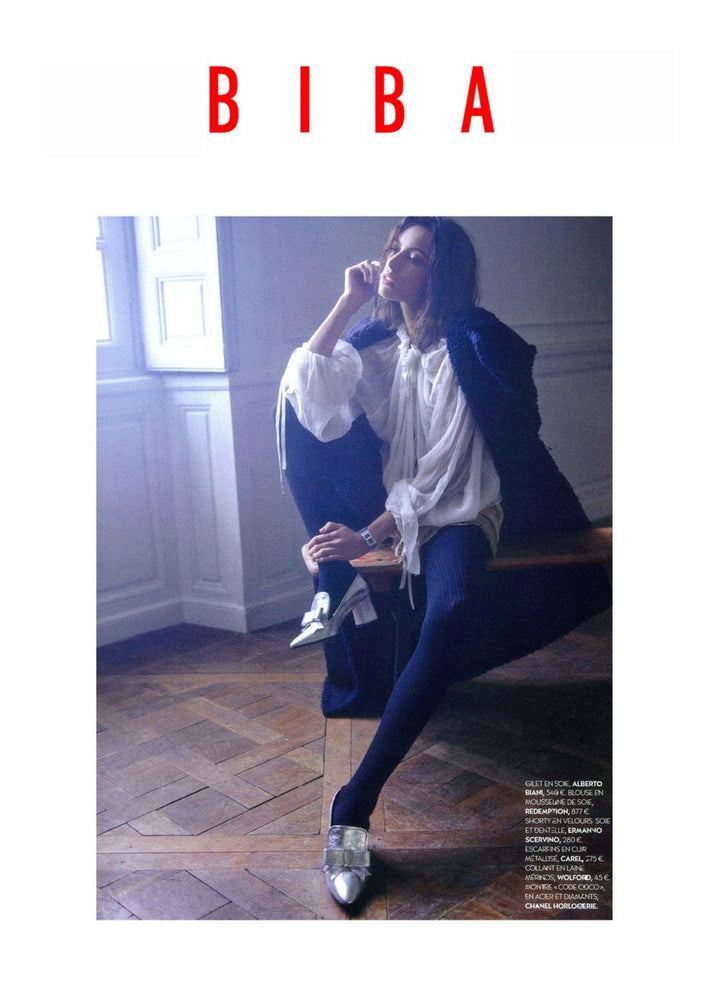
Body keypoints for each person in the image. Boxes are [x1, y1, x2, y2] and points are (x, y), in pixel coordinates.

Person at [276, 217, 610, 907]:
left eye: (416, 257)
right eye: (393, 250)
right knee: (420, 616)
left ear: (441, 273)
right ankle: (355, 805)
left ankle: (352, 802)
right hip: (399, 512)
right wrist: (347, 301)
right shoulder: (378, 347)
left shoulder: (468, 344)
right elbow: (309, 399)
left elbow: (443, 474)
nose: (394, 264)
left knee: (452, 608)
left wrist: (369, 533)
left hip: (462, 509)